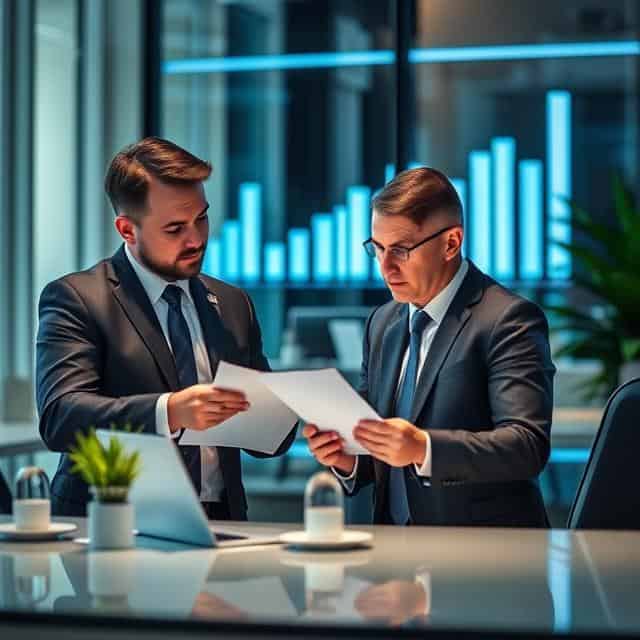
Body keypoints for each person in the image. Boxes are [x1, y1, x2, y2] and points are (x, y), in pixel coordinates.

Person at [36, 136, 296, 519]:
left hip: (221, 524)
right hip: (113, 527)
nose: (196, 239)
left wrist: (285, 414)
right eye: (175, 228)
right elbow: (62, 416)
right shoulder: (78, 298)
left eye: (202, 218)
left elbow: (269, 442)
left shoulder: (232, 303)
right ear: (127, 230)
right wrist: (169, 412)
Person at [304, 167, 555, 527]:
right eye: (377, 249)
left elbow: (526, 445)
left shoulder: (508, 318)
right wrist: (348, 457)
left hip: (484, 556)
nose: (385, 267)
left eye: (401, 250)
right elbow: (379, 445)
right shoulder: (382, 323)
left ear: (451, 243)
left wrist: (424, 448)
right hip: (394, 554)